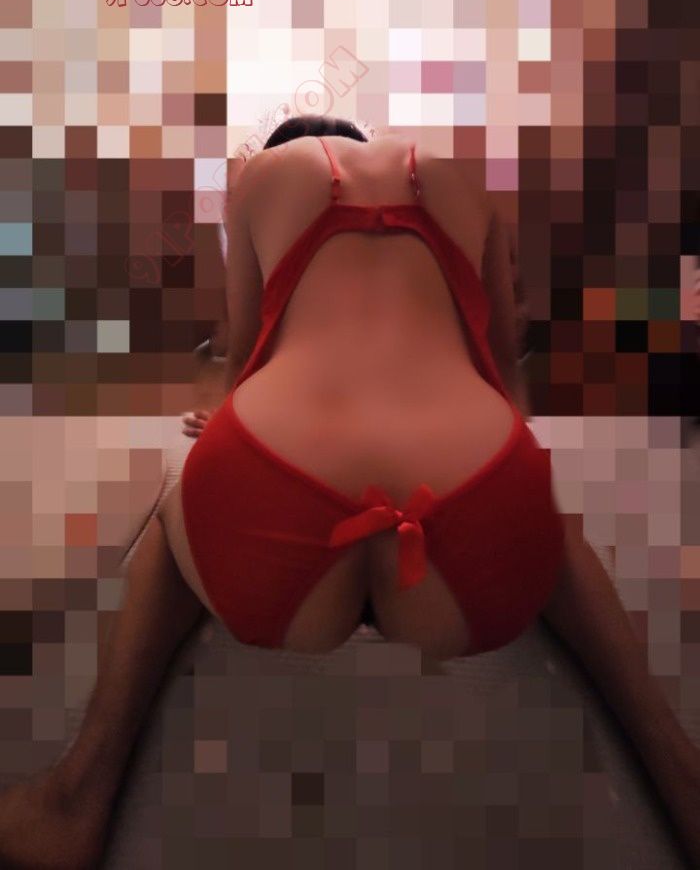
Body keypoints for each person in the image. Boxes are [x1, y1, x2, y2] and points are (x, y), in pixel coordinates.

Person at [0, 115, 698, 869]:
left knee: (175, 516)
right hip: (465, 527)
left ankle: (76, 797)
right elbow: (503, 376)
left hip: (280, 499)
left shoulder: (259, 179)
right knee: (547, 524)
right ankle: (683, 781)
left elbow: (244, 357)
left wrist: (236, 427)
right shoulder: (460, 179)